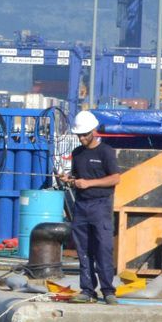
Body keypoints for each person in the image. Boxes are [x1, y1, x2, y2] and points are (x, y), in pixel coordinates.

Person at [59, 110, 122, 304]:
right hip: (82, 206)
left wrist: (88, 183)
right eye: (79, 135)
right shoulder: (77, 153)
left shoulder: (106, 152)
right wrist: (69, 180)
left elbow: (115, 178)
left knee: (103, 247)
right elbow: (77, 177)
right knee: (83, 249)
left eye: (85, 134)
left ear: (94, 131)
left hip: (101, 205)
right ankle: (87, 289)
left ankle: (108, 290)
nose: (82, 138)